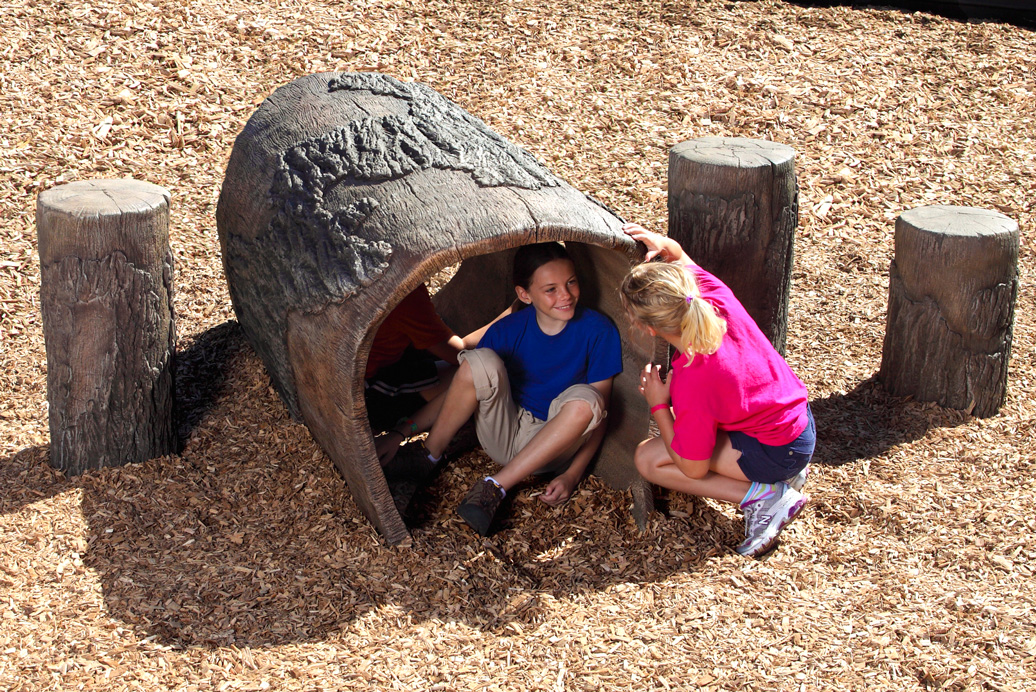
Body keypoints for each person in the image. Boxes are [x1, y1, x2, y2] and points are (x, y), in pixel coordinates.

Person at [388, 242, 623, 536]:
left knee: (589, 399)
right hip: (502, 430)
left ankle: (495, 487)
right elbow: (461, 388)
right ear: (524, 294)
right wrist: (402, 431)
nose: (565, 295)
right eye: (550, 289)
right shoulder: (508, 329)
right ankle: (428, 454)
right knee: (478, 362)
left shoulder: (599, 331)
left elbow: (599, 414)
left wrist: (572, 475)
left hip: (554, 446)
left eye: (570, 282)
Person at [619, 222, 815, 558]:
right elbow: (679, 255)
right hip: (798, 424)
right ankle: (785, 473)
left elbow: (692, 468)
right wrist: (662, 243)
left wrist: (658, 405)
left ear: (649, 329)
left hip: (778, 451)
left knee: (648, 460)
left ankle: (765, 495)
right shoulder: (711, 296)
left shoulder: (693, 379)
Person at [365, 285, 468, 465]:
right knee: (466, 374)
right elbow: (460, 355)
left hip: (378, 366)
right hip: (371, 392)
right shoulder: (403, 294)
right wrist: (512, 314)